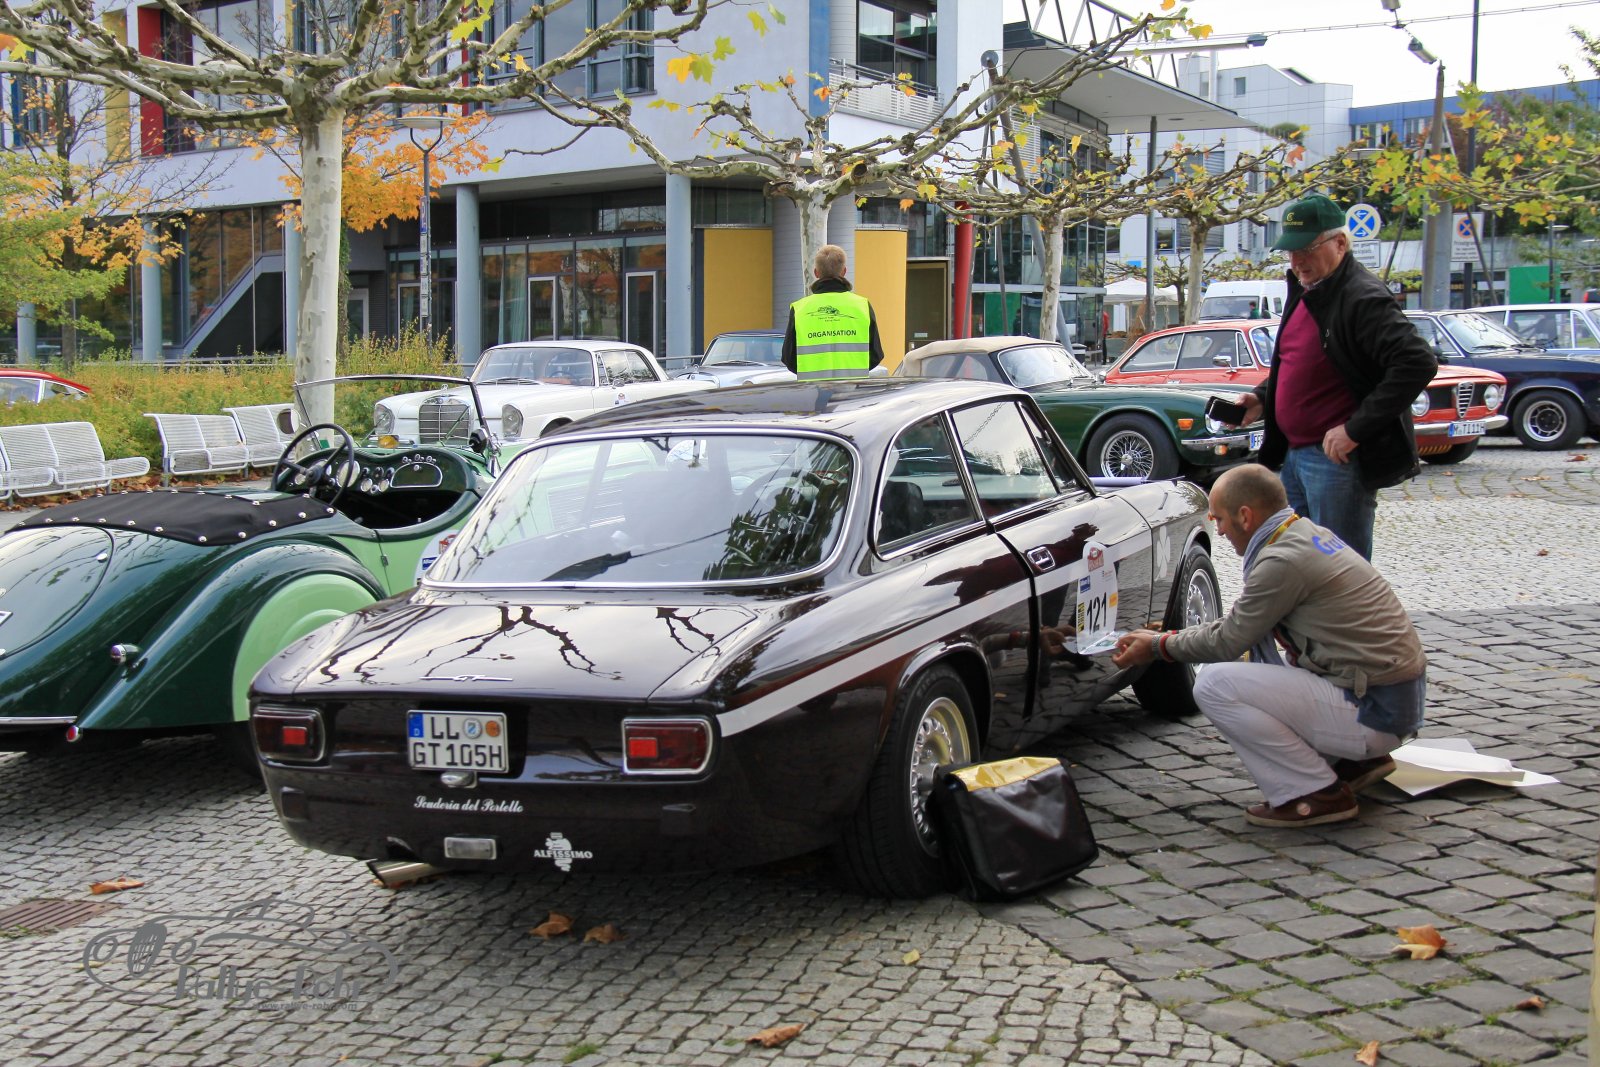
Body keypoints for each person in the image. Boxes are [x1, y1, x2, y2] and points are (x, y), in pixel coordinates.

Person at [1111, 464, 1426, 829]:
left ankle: (1315, 794)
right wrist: (1168, 637)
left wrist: (1158, 647)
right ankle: (1353, 762)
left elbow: (1230, 639)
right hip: (1389, 699)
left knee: (1214, 684)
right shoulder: (1302, 534)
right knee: (1267, 670)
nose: (1220, 530)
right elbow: (1242, 623)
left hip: (1376, 710)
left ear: (1245, 516)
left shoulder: (1281, 560)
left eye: (1220, 519)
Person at [1229, 194, 1436, 562]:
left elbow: (1417, 363)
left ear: (1340, 243)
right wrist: (1262, 397)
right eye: (1290, 251)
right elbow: (1297, 361)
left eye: (1306, 249)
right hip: (1294, 455)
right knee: (1299, 566)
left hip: (1335, 462)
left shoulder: (1362, 297)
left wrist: (1355, 430)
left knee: (1340, 572)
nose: (1297, 261)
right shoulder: (1307, 290)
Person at [781, 244, 886, 380]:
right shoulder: (862, 306)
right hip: (853, 388)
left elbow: (788, 358)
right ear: (844, 271)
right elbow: (876, 354)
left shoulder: (800, 309)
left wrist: (811, 370)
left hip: (812, 389)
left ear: (816, 273)